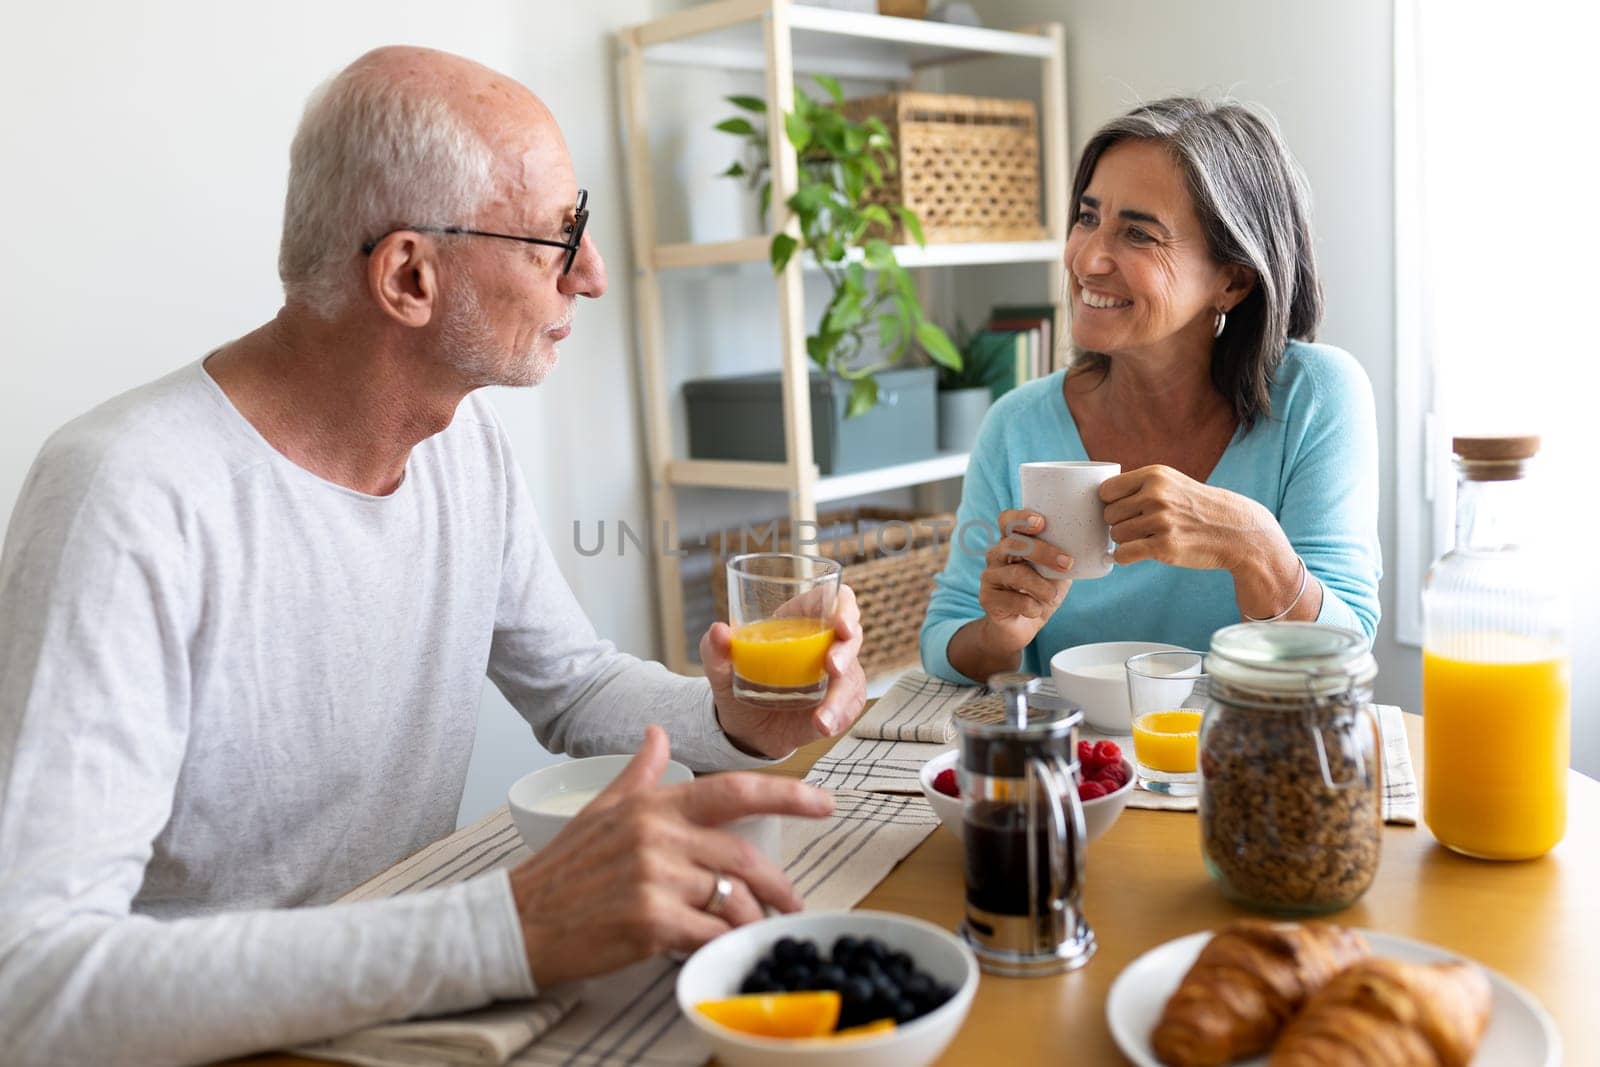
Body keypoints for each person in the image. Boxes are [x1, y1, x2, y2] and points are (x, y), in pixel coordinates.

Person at [0, 47, 868, 1065]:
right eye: (559, 235)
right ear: (409, 274)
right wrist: (506, 927)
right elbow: (35, 982)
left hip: (413, 1007)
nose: (588, 274)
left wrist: (731, 716)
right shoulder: (126, 494)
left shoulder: (462, 445)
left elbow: (573, 683)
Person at [920, 97, 1381, 685]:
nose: (1086, 259)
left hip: (1245, 756)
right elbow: (944, 640)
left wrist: (1256, 548)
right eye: (1087, 218)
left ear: (1232, 280)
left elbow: (1348, 649)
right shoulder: (1017, 423)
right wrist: (1001, 632)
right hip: (1082, 768)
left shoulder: (1317, 396)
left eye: (1138, 234)